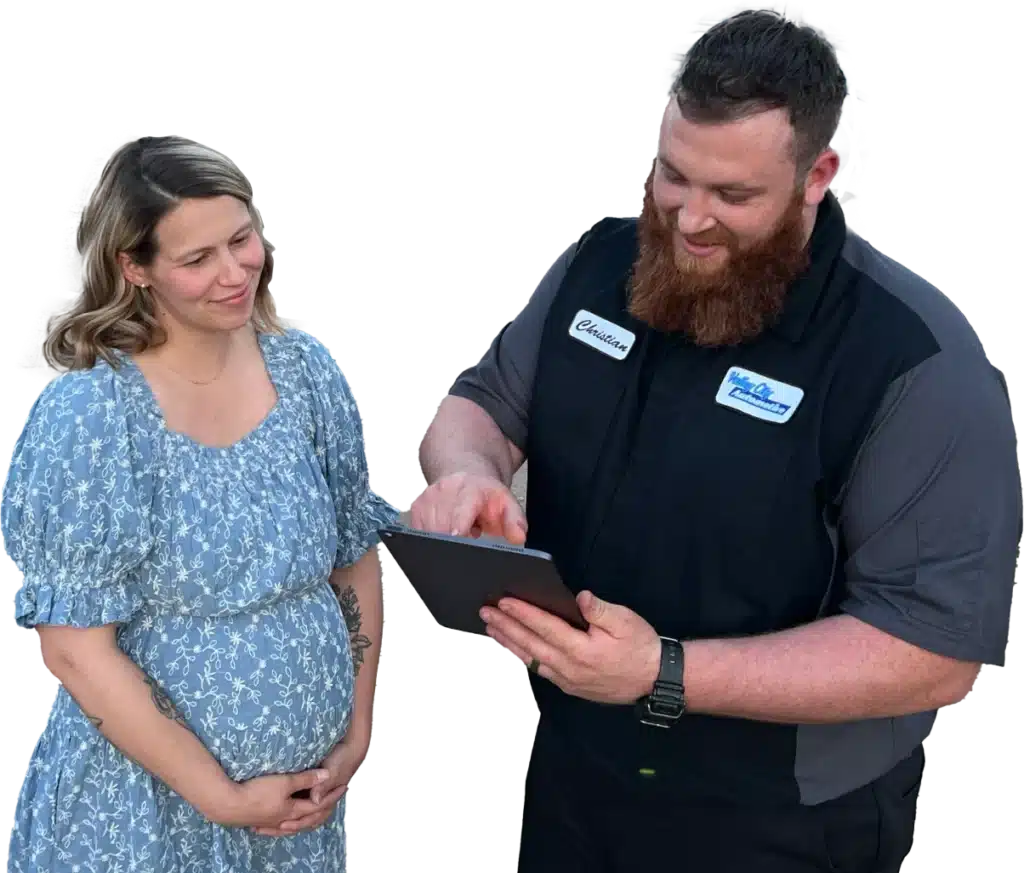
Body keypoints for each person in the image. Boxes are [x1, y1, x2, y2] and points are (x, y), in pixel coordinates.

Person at [412, 9, 1021, 873]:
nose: (690, 220)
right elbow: (479, 400)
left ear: (819, 175)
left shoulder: (912, 358)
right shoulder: (601, 263)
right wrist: (468, 472)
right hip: (578, 772)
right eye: (673, 175)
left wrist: (665, 671)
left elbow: (933, 651)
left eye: (733, 196)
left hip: (779, 818)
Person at [1, 135, 398, 873]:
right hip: (145, 817)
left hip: (298, 817)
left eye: (242, 239)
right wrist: (220, 794)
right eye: (196, 259)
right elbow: (74, 648)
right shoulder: (94, 415)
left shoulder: (305, 371)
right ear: (134, 268)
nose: (235, 272)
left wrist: (355, 725)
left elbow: (352, 554)